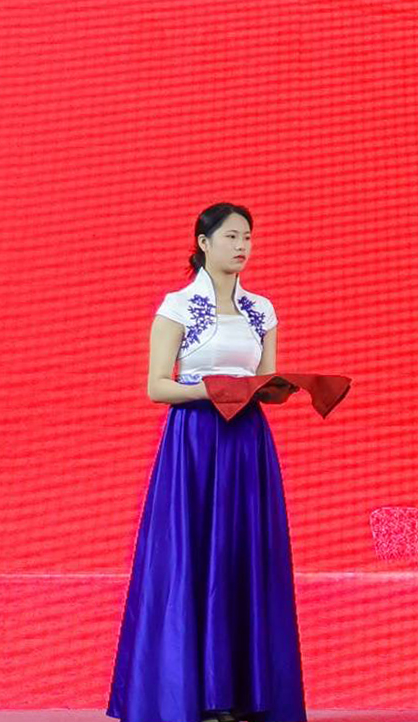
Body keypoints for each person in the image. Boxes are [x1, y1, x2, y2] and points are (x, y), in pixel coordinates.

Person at [108, 204, 306, 722]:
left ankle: (243, 697)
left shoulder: (262, 310)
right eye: (232, 237)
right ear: (203, 242)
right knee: (191, 558)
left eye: (248, 238)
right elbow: (158, 387)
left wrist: (279, 388)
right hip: (194, 444)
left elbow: (265, 380)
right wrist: (215, 390)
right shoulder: (176, 306)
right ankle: (189, 697)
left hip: (246, 445)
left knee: (245, 556)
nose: (242, 247)